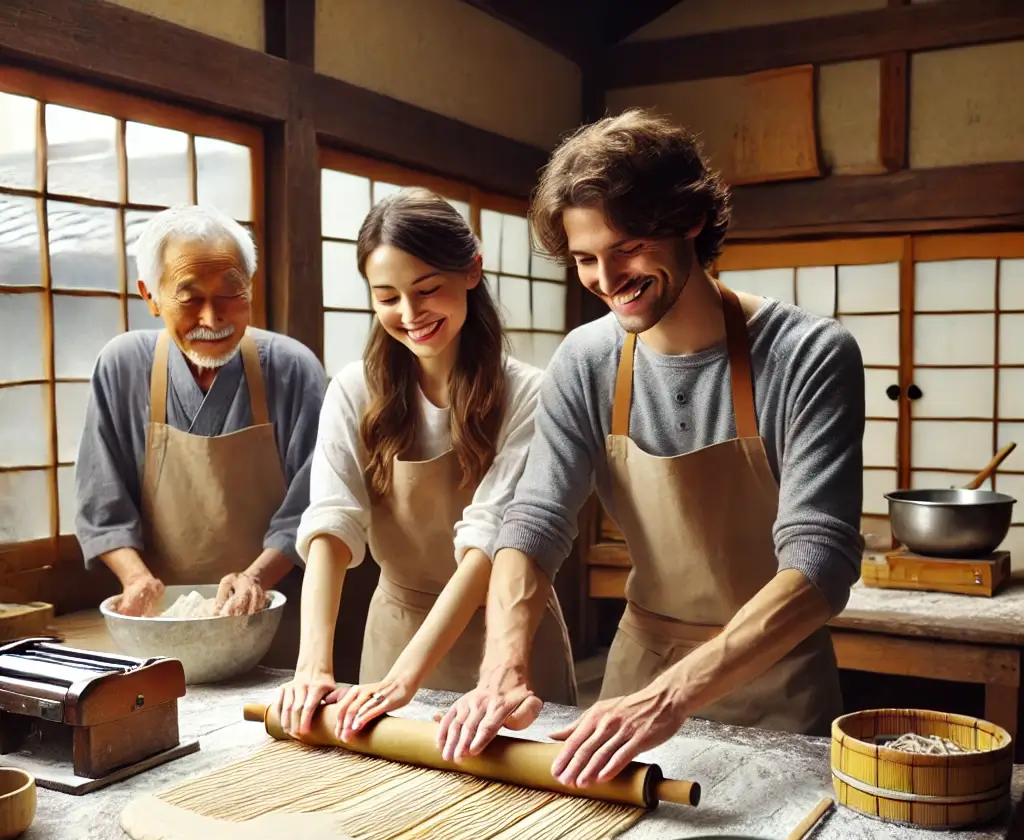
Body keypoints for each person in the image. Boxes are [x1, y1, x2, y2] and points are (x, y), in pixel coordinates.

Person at [437, 109, 865, 784]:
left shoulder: (809, 355)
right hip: (638, 674)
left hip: (776, 679)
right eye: (584, 259)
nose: (607, 280)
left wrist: (673, 697)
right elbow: (535, 520)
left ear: (689, 220)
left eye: (627, 246)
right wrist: (502, 668)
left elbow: (821, 562)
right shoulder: (586, 359)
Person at [272, 188, 576, 739]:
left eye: (427, 289)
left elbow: (490, 545)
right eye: (387, 297)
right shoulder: (352, 391)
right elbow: (330, 526)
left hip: (506, 640)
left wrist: (406, 679)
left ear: (471, 272)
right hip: (395, 632)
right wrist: (312, 666)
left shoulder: (529, 393)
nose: (410, 315)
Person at [75, 204, 326, 666]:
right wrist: (136, 580)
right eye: (189, 297)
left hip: (276, 619)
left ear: (251, 288)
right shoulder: (122, 367)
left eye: (231, 294)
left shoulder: (293, 369)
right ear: (151, 297)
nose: (213, 318)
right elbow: (101, 505)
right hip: (164, 623)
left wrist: (255, 580)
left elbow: (313, 507)